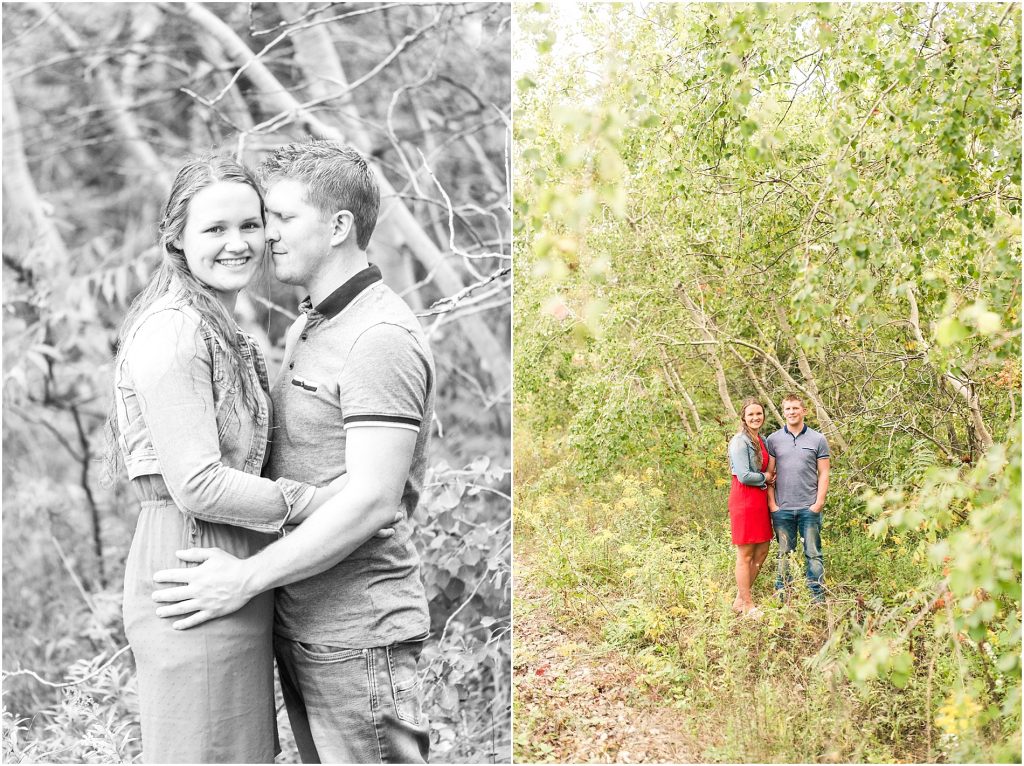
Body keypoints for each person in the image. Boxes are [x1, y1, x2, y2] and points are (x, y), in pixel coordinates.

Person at [151, 141, 434, 764]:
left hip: (364, 640)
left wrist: (246, 579)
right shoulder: (316, 321)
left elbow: (371, 501)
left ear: (338, 227)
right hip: (309, 628)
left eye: (280, 219)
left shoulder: (378, 337)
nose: (264, 236)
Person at [765, 394, 831, 602]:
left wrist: (818, 503)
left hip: (808, 508)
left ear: (804, 411)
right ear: (783, 412)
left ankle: (816, 596)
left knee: (813, 553)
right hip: (782, 509)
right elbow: (769, 473)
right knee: (785, 553)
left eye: (795, 408)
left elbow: (825, 473)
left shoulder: (818, 439)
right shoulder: (773, 440)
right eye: (787, 409)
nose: (792, 412)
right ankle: (784, 594)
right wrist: (772, 504)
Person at [727, 398, 775, 616]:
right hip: (745, 498)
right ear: (743, 417)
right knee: (745, 554)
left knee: (762, 550)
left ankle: (739, 600)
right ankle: (748, 605)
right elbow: (745, 475)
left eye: (759, 413)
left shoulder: (762, 439)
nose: (755, 417)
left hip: (760, 499)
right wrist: (765, 476)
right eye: (751, 414)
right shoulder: (740, 441)